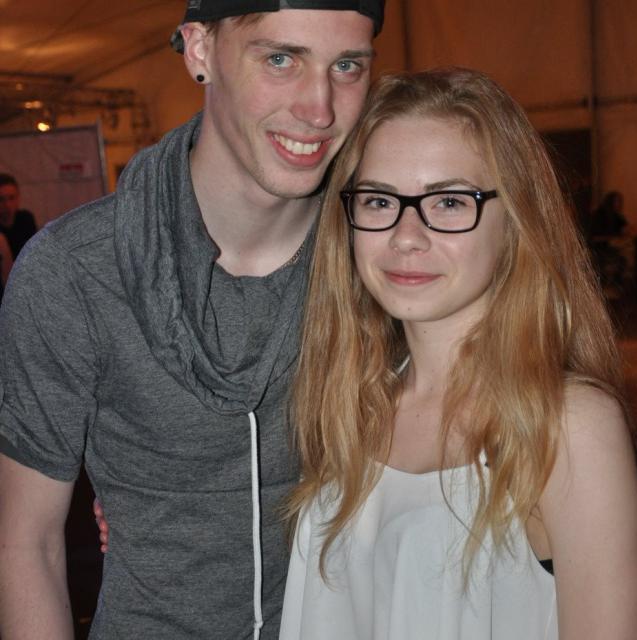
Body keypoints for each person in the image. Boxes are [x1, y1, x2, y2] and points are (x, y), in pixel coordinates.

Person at [0, 1, 384, 638]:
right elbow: (27, 544)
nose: (319, 109)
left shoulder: (383, 257)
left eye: (346, 66)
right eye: (281, 59)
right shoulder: (75, 272)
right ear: (200, 49)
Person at [279, 69, 637, 639]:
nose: (406, 235)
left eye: (449, 201)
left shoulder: (567, 425)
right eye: (379, 200)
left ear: (515, 220)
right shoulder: (349, 405)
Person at [0, 173, 38, 259]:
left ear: (18, 198)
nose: (7, 205)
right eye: (1, 199)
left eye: (11, 198)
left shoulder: (25, 219)